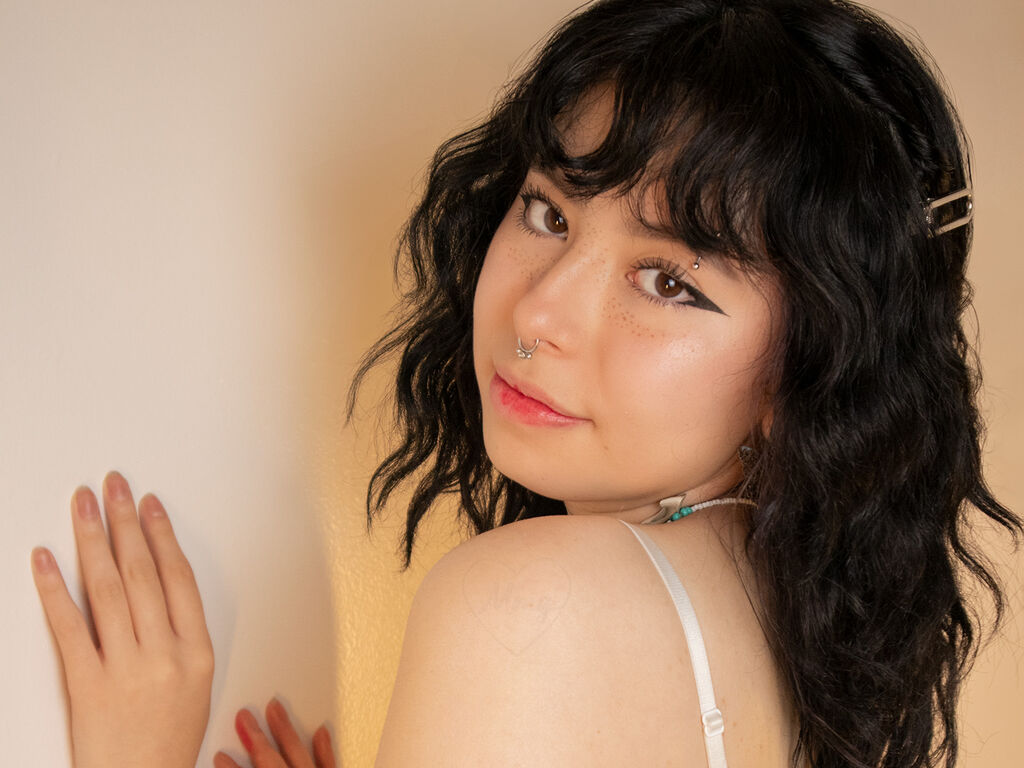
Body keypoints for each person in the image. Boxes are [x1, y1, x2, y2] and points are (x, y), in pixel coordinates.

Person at [30, 1, 1020, 766]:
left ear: (808, 366)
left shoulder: (530, 608)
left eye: (668, 282)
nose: (540, 312)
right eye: (549, 212)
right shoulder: (786, 622)